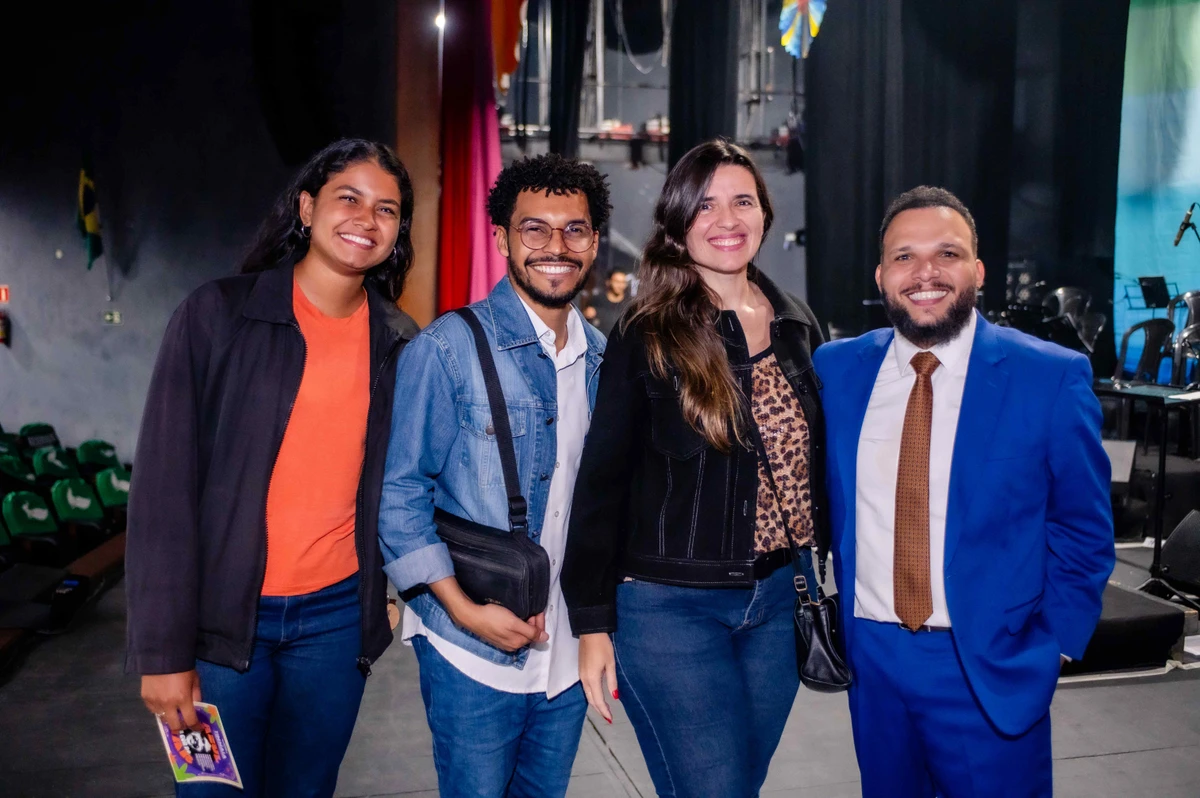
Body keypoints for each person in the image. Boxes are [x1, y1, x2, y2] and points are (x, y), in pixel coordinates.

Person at [126, 139, 419, 797]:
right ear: (307, 206)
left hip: (335, 629)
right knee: (205, 793)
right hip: (214, 629)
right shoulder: (215, 315)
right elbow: (160, 497)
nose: (366, 220)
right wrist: (162, 653)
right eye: (349, 198)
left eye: (387, 210)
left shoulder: (400, 342)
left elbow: (406, 484)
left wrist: (394, 594)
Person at [813, 186, 1115, 797]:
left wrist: (1051, 644)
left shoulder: (1050, 377)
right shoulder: (837, 370)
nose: (925, 273)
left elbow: (1083, 527)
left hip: (989, 663)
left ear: (977, 270)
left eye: (946, 254)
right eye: (904, 257)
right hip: (873, 660)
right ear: (881, 275)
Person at [562, 139, 828, 797]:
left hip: (778, 603)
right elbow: (601, 484)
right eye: (705, 204)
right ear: (679, 224)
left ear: (764, 214)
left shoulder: (799, 324)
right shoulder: (645, 333)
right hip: (667, 608)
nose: (727, 219)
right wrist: (591, 623)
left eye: (742, 200)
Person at [378, 153, 611, 798]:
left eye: (574, 229)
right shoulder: (447, 349)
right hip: (468, 647)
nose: (555, 246)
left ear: (593, 244)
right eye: (534, 228)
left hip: (563, 652)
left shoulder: (604, 361)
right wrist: (461, 610)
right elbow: (399, 494)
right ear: (503, 238)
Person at [583, 266, 632, 335]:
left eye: (623, 282)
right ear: (608, 282)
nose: (620, 285)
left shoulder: (630, 304)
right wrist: (586, 314)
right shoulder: (597, 299)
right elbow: (587, 318)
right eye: (617, 282)